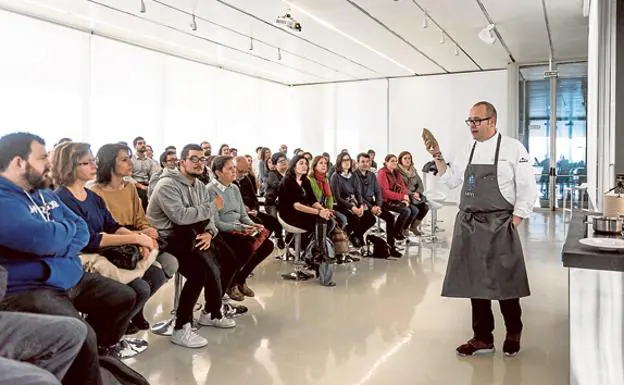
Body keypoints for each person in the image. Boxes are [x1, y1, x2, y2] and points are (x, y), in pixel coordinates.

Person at [0, 132, 137, 384]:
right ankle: (83, 362)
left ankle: (94, 358)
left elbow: (82, 230)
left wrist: (58, 242)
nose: (49, 164)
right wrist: (60, 240)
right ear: (19, 162)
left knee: (124, 297)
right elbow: (42, 239)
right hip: (30, 288)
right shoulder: (3, 198)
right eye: (42, 158)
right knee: (82, 335)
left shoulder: (43, 192)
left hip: (71, 275)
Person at [429, 101, 537, 357]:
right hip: (470, 225)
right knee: (474, 284)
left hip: (501, 224)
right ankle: (482, 337)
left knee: (505, 282)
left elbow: (527, 188)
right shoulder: (467, 148)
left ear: (492, 121)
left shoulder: (513, 148)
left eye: (477, 120)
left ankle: (513, 331)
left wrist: (516, 220)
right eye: (470, 121)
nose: (472, 126)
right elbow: (452, 180)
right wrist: (437, 156)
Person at [53, 142, 159, 343]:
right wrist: (136, 237)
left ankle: (109, 336)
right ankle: (102, 342)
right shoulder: (62, 199)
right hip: (85, 260)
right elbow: (88, 240)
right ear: (70, 167)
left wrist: (140, 242)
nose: (94, 165)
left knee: (153, 276)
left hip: (105, 254)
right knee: (137, 289)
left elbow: (112, 225)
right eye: (88, 162)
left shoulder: (91, 196)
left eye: (94, 160)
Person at [147, 144, 235, 349]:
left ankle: (211, 312)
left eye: (202, 160)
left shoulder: (199, 186)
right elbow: (180, 216)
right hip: (166, 238)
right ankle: (182, 326)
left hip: (192, 234)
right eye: (194, 159)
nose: (199, 164)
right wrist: (213, 206)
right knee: (200, 271)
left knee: (228, 258)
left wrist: (210, 233)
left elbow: (208, 217)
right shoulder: (166, 185)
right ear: (182, 161)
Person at [90, 143, 179, 330]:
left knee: (169, 264)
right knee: (148, 279)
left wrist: (148, 231)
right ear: (109, 163)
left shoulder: (130, 188)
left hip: (136, 240)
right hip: (114, 245)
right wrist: (139, 237)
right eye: (124, 159)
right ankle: (121, 320)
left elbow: (140, 219)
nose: (130, 163)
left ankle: (134, 310)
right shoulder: (94, 191)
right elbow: (107, 230)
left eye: (130, 158)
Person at [0, 265, 88, 385]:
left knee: (74, 331)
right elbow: (44, 246)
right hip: (30, 286)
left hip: (64, 276)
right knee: (42, 380)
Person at [208, 156, 274, 301]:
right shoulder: (210, 190)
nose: (234, 171)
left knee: (268, 245)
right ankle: (231, 284)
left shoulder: (234, 188)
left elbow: (243, 215)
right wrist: (240, 228)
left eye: (234, 168)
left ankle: (240, 279)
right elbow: (217, 223)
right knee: (246, 248)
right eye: (230, 168)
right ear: (218, 172)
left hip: (238, 227)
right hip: (223, 232)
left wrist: (251, 225)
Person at [278, 155, 335, 260]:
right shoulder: (288, 180)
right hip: (289, 214)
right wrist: (318, 212)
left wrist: (323, 210)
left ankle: (313, 251)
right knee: (319, 221)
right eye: (301, 163)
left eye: (306, 164)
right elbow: (296, 205)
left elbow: (312, 200)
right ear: (294, 166)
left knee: (330, 221)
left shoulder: (305, 181)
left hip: (302, 212)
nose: (305, 166)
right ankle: (315, 252)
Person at [354, 153, 402, 257]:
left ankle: (391, 246)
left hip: (372, 204)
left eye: (367, 162)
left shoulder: (371, 175)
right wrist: (372, 208)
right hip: (359, 203)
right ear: (358, 163)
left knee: (390, 218)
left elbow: (378, 192)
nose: (365, 164)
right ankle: (356, 235)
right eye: (362, 162)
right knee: (371, 219)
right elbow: (358, 195)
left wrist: (378, 206)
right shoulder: (354, 175)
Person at [233, 156, 282, 249]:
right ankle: (253, 246)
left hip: (251, 211)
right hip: (238, 214)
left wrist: (255, 209)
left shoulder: (246, 179)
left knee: (273, 221)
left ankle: (261, 243)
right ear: (234, 168)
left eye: (246, 171)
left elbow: (254, 199)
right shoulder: (229, 182)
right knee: (259, 223)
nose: (243, 174)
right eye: (241, 171)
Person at [331, 152, 375, 248]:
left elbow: (358, 193)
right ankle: (342, 239)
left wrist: (361, 206)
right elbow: (338, 198)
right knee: (354, 220)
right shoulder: (335, 177)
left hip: (354, 202)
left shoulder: (353, 175)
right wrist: (352, 208)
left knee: (371, 219)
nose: (347, 162)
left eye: (348, 160)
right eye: (344, 160)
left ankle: (355, 235)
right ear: (339, 162)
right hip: (341, 205)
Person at [377, 154, 419, 241]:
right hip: (385, 201)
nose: (395, 162)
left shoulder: (396, 172)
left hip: (396, 200)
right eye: (392, 161)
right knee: (406, 211)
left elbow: (403, 187)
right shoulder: (382, 173)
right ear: (386, 162)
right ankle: (396, 232)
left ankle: (401, 229)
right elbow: (385, 193)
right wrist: (401, 197)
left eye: (396, 161)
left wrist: (405, 199)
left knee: (415, 210)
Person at [397, 151, 429, 236]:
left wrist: (418, 192)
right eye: (405, 158)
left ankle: (414, 227)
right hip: (405, 196)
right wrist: (411, 193)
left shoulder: (413, 170)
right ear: (400, 160)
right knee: (414, 209)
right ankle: (404, 228)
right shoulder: (397, 172)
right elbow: (400, 186)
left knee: (425, 207)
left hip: (415, 196)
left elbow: (420, 184)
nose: (407, 160)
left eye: (409, 158)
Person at [263, 153, 287, 249]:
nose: (284, 163)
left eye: (285, 160)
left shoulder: (289, 174)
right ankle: (278, 236)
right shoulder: (272, 174)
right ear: (275, 164)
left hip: (284, 203)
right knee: (274, 219)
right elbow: (277, 185)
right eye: (280, 161)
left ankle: (291, 240)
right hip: (271, 203)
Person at [129, 136, 157, 211]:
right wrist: (140, 186)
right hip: (135, 185)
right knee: (144, 195)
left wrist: (154, 186)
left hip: (147, 185)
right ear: (135, 146)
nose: (143, 145)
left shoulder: (150, 161)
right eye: (140, 143)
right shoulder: (130, 160)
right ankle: (144, 218)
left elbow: (153, 176)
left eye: (144, 143)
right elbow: (127, 177)